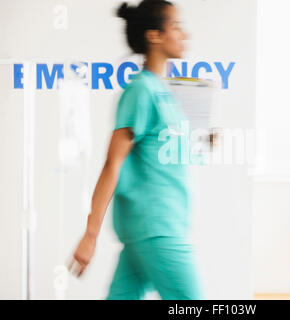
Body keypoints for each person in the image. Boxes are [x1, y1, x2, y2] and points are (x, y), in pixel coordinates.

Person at [69, 0, 214, 300]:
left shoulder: (165, 93)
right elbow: (113, 164)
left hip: (147, 233)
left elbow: (163, 155)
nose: (184, 34)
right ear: (154, 36)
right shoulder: (141, 91)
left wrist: (202, 143)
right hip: (159, 230)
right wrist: (90, 235)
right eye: (175, 26)